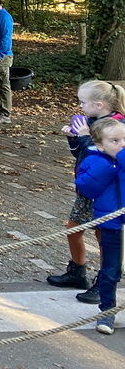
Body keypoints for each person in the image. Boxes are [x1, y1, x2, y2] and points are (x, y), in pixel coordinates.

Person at [47, 81, 125, 300]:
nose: (80, 107)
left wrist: (84, 138)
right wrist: (74, 140)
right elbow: (82, 154)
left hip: (107, 192)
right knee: (73, 229)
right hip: (89, 189)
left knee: (104, 237)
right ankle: (78, 272)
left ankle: (104, 283)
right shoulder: (92, 122)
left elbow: (104, 154)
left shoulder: (116, 127)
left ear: (99, 104)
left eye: (83, 102)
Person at [74, 116, 125, 335]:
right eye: (115, 141)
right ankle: (107, 313)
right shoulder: (98, 161)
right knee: (110, 270)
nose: (122, 145)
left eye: (124, 140)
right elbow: (86, 186)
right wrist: (111, 165)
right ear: (100, 145)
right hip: (112, 223)